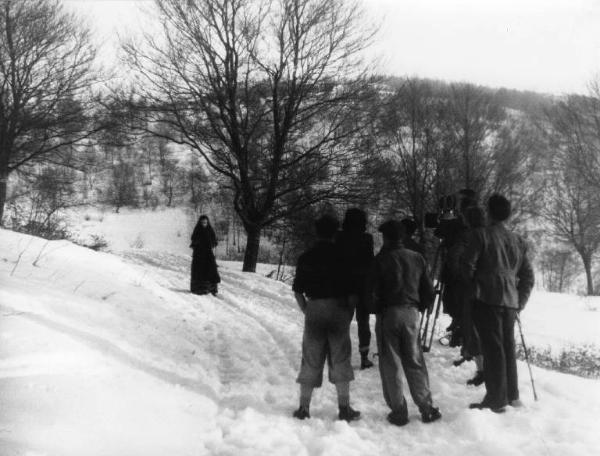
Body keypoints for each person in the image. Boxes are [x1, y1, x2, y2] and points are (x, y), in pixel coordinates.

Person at [462, 194, 535, 413]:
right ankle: (512, 396)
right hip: (510, 303)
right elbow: (528, 277)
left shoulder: (480, 235)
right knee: (507, 348)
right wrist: (519, 301)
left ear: (489, 211)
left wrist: (475, 287)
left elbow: (467, 267)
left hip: (487, 300)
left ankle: (495, 399)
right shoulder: (518, 241)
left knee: (493, 350)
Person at [366, 220, 441, 426]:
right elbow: (429, 290)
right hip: (412, 314)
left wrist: (376, 309)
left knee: (391, 364)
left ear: (386, 237)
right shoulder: (417, 258)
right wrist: (422, 306)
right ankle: (427, 408)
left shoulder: (380, 259)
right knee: (415, 360)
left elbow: (370, 293)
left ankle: (399, 411)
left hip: (388, 314)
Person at [292, 214, 360, 422]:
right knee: (340, 358)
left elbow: (297, 291)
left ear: (316, 231)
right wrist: (348, 313)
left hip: (314, 308)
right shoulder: (346, 256)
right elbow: (353, 291)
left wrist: (307, 309)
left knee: (311, 357)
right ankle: (344, 408)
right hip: (339, 309)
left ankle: (304, 408)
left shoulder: (306, 257)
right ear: (335, 231)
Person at [335, 208, 375, 369]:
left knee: (343, 324)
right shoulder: (367, 238)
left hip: (344, 286)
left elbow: (336, 262)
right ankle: (364, 357)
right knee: (363, 323)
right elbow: (370, 262)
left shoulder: (339, 237)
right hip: (363, 287)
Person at [457, 205, 486, 386]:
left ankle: (482, 370)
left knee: (474, 332)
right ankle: (484, 369)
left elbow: (467, 264)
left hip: (475, 290)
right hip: (490, 292)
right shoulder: (489, 234)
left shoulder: (473, 236)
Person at [190, 215, 220, 295]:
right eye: (203, 222)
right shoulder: (197, 230)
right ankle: (199, 289)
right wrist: (198, 243)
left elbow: (214, 241)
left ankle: (212, 289)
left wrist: (212, 243)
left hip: (208, 254)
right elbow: (193, 241)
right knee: (200, 271)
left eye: (205, 222)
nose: (204, 224)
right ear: (200, 223)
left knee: (211, 270)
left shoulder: (210, 230)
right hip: (199, 255)